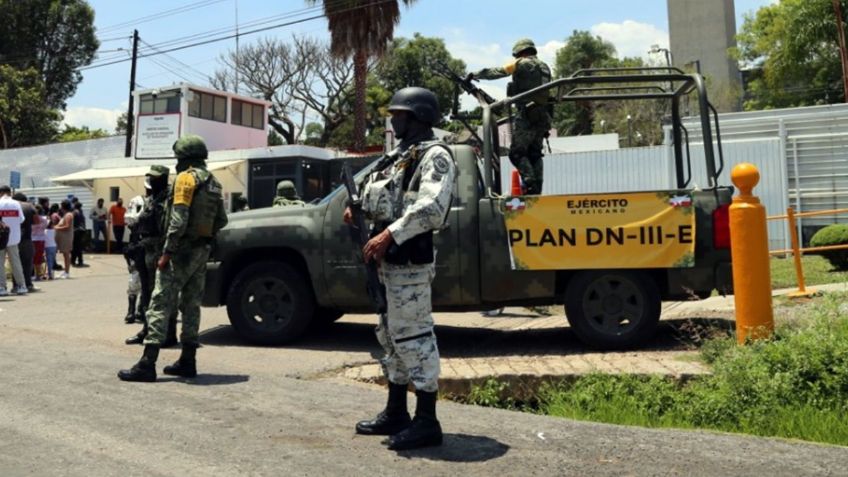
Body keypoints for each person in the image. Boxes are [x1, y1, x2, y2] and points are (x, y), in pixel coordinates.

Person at [344, 87, 456, 450]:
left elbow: (431, 207)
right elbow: (385, 195)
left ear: (419, 116)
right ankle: (396, 411)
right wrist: (359, 207)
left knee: (415, 336)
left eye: (400, 115)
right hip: (386, 262)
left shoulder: (435, 156)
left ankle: (427, 421)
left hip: (409, 263)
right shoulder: (398, 156)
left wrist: (390, 234)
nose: (393, 120)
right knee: (390, 335)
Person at [119, 135, 228, 382]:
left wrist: (167, 252)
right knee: (191, 305)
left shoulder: (185, 178)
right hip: (202, 251)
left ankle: (147, 363)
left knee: (159, 302)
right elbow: (221, 220)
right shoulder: (214, 182)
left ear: (184, 158)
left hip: (180, 252)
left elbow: (178, 219)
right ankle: (187, 361)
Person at [470, 38, 552, 195]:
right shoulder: (545, 67)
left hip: (527, 114)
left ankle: (530, 184)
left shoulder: (521, 63)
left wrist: (475, 74)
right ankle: (537, 191)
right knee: (534, 152)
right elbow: (549, 95)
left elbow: (499, 71)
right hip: (543, 116)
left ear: (520, 52)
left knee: (517, 153)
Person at [125, 165, 178, 348]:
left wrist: (168, 251)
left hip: (162, 252)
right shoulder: (151, 199)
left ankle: (169, 334)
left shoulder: (170, 199)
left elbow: (171, 227)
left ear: (164, 179)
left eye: (156, 178)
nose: (152, 181)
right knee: (146, 294)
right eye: (150, 178)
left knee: (165, 295)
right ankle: (146, 330)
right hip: (146, 250)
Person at [0, 185, 27, 296]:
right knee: (15, 262)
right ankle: (21, 286)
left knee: (0, 263)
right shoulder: (16, 204)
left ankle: (2, 287)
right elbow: (21, 220)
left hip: (0, 238)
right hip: (14, 237)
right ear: (10, 193)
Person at [13, 193, 40, 292]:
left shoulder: (10, 205)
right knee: (27, 263)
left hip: (11, 239)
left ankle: (16, 285)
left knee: (15, 262)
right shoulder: (29, 206)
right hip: (26, 239)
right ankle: (28, 284)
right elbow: (37, 221)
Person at [53, 200, 75, 279]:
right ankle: (65, 271)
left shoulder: (68, 215)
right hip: (63, 238)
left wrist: (56, 227)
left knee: (66, 254)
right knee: (64, 254)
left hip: (66, 238)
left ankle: (67, 272)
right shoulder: (65, 215)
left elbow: (67, 226)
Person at [31, 204, 47, 281]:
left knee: (33, 258)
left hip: (33, 239)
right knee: (38, 258)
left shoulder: (30, 219)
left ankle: (36, 275)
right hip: (41, 239)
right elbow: (44, 227)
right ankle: (38, 275)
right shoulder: (44, 219)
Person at [71, 201, 88, 267]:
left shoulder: (75, 212)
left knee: (74, 247)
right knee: (79, 247)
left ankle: (73, 261)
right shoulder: (81, 212)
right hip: (81, 231)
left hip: (76, 231)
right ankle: (80, 261)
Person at [44, 214, 57, 280]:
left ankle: (49, 274)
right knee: (52, 260)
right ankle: (51, 273)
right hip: (54, 246)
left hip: (47, 247)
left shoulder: (45, 231)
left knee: (48, 261)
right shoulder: (54, 231)